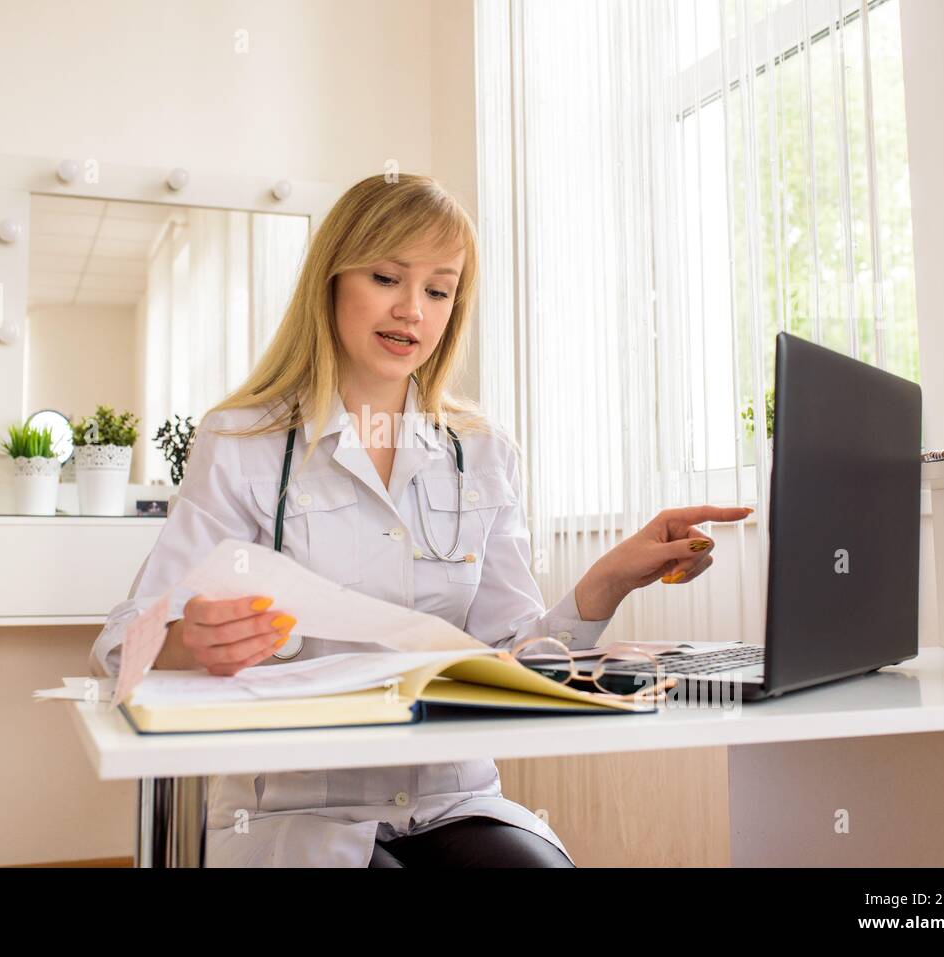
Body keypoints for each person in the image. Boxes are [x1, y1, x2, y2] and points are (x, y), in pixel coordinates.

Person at [90, 173, 752, 867]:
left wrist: (609, 580)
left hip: (449, 797)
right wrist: (185, 638)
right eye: (386, 277)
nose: (412, 310)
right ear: (332, 280)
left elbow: (517, 662)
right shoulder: (241, 443)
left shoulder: (481, 452)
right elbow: (120, 642)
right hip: (295, 811)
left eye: (438, 289)